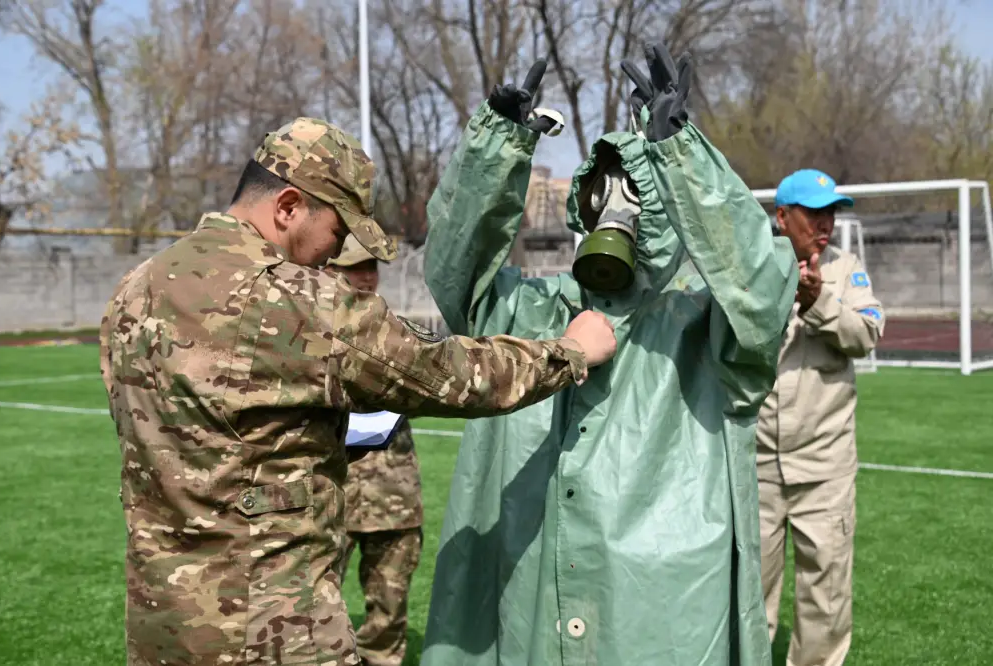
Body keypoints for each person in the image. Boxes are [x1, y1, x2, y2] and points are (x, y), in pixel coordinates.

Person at [97, 117, 618, 666]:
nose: (334, 255)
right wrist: (568, 351)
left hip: (163, 628)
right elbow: (446, 374)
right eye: (338, 234)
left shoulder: (137, 286)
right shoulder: (294, 301)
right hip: (272, 633)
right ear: (288, 207)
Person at [419, 42, 799, 666]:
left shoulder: (706, 330)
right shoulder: (529, 313)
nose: (616, 205)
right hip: (530, 600)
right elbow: (457, 269)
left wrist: (682, 153)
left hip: (657, 618)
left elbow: (759, 285)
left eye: (635, 193)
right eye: (602, 190)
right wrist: (497, 146)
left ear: (668, 208)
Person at [757, 168, 886, 666]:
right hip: (758, 462)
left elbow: (866, 334)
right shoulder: (752, 269)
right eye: (813, 212)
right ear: (783, 216)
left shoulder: (846, 269)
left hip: (825, 466)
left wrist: (819, 303)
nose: (825, 223)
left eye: (831, 212)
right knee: (748, 592)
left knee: (825, 600)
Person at [326, 234, 425, 666]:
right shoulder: (304, 333)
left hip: (393, 494)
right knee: (309, 610)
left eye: (371, 268)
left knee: (388, 612)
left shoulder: (396, 332)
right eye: (354, 268)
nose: (365, 277)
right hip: (330, 493)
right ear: (329, 270)